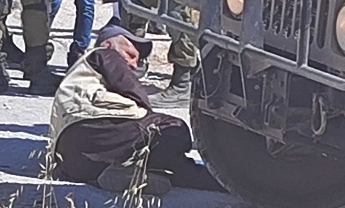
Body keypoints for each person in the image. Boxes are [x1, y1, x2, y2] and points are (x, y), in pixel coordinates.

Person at [50, 24, 222, 195]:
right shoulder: (104, 53)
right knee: (172, 129)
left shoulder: (80, 76)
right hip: (94, 130)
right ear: (108, 44)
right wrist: (154, 121)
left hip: (74, 159)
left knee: (173, 164)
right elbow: (130, 87)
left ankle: (217, 181)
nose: (134, 65)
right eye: (131, 55)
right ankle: (142, 169)